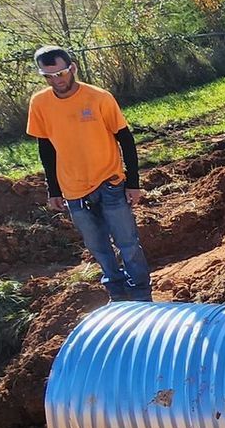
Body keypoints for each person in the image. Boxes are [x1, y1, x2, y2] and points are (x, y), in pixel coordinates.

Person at [26, 45, 153, 302]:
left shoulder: (98, 98)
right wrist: (54, 189)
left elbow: (125, 140)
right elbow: (46, 149)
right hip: (73, 189)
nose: (56, 80)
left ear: (72, 68)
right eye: (48, 76)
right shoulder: (40, 103)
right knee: (98, 247)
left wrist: (133, 182)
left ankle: (141, 295)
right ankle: (117, 295)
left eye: (60, 73)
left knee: (127, 243)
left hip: (110, 182)